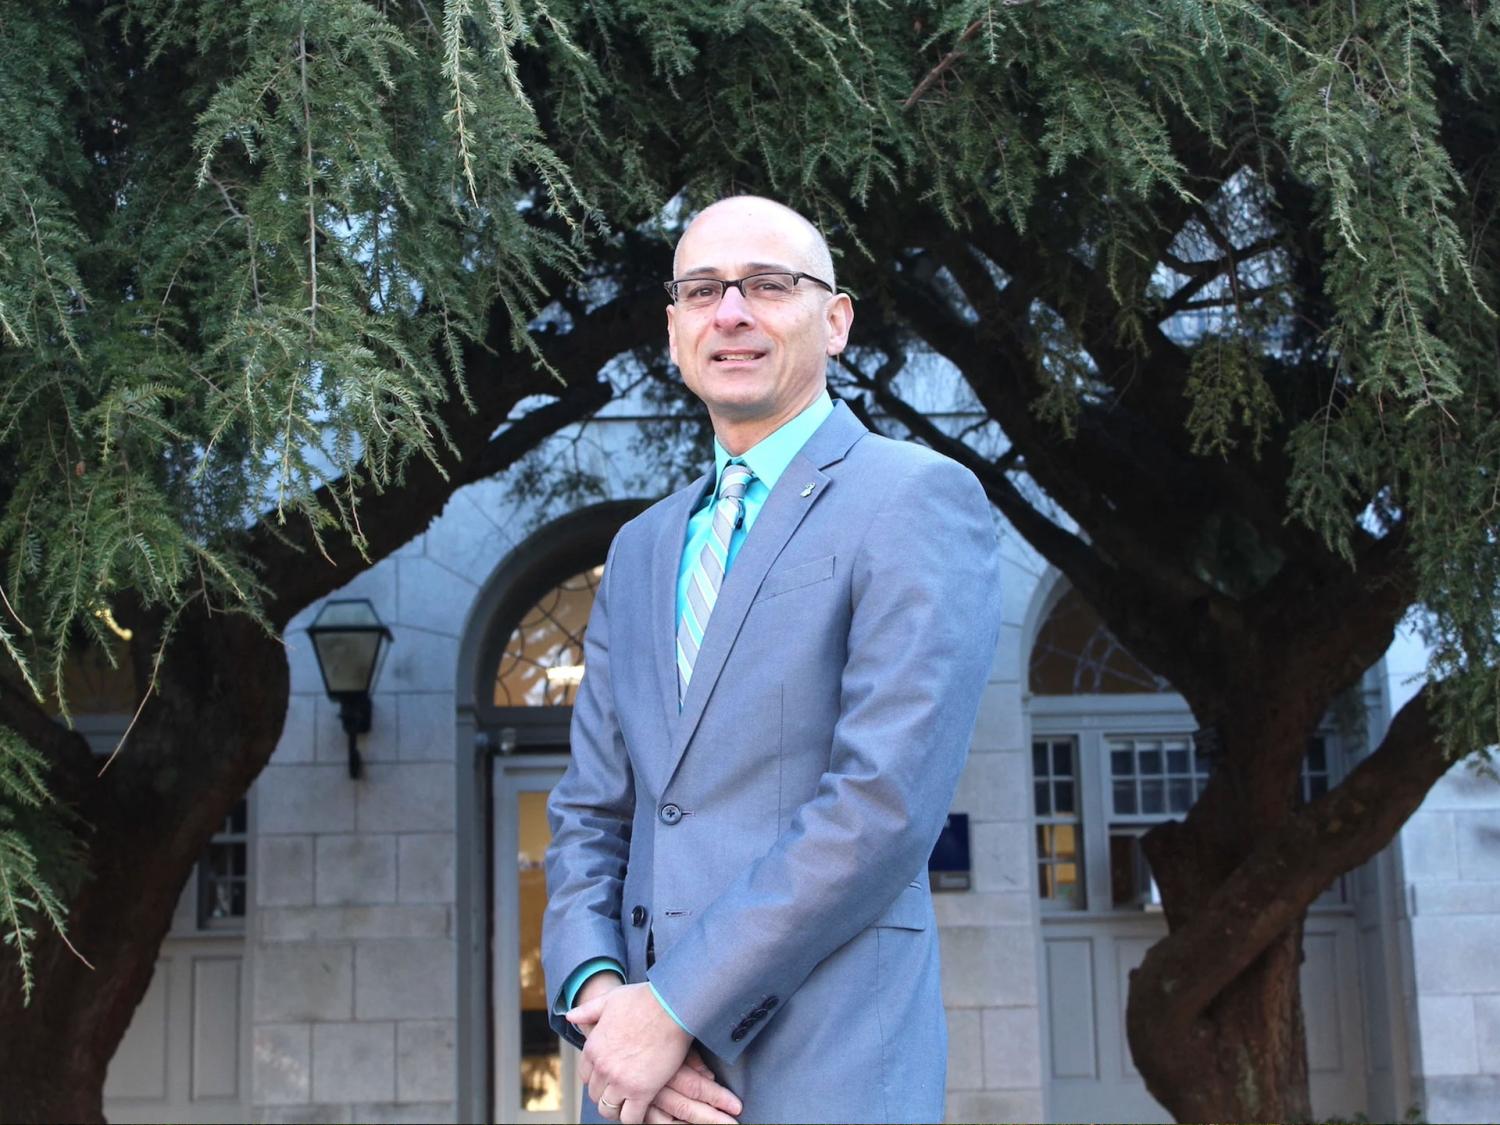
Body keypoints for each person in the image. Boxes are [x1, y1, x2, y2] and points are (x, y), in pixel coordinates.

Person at [541, 196, 1002, 1125]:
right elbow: (593, 815)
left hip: (823, 1072)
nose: (733, 312)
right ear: (674, 331)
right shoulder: (639, 548)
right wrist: (604, 1005)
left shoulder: (915, 499)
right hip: (635, 1090)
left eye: (769, 285)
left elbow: (880, 805)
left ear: (835, 320)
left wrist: (676, 1007)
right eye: (703, 289)